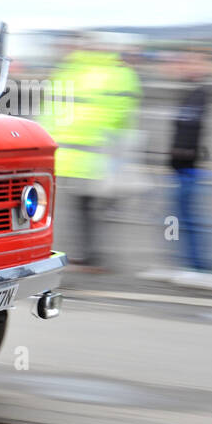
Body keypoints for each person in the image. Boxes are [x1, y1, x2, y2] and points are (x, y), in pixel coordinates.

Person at [41, 34, 141, 269]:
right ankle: (90, 256)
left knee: (82, 210)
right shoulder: (115, 73)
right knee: (84, 210)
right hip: (84, 154)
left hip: (85, 154)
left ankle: (89, 256)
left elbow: (114, 114)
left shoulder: (74, 72)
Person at [168, 51, 212, 273]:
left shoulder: (199, 94)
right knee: (179, 216)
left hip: (187, 167)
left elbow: (189, 129)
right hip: (181, 166)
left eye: (188, 63)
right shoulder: (190, 94)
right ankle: (189, 262)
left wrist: (180, 155)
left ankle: (196, 264)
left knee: (185, 217)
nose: (181, 67)